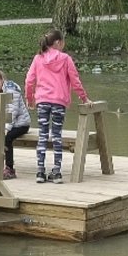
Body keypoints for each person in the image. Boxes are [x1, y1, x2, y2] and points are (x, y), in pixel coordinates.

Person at [23, 29, 89, 183]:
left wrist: (30, 98)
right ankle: (57, 172)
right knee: (57, 135)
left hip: (42, 101)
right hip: (59, 101)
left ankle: (40, 171)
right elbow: (75, 81)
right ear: (58, 43)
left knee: (43, 135)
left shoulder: (38, 58)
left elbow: (29, 81)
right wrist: (84, 98)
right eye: (63, 42)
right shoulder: (65, 58)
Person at [0, 67, 30, 179]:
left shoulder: (12, 91)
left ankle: (10, 168)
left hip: (20, 124)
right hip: (3, 123)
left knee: (6, 137)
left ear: (2, 80)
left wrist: (6, 129)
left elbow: (13, 112)